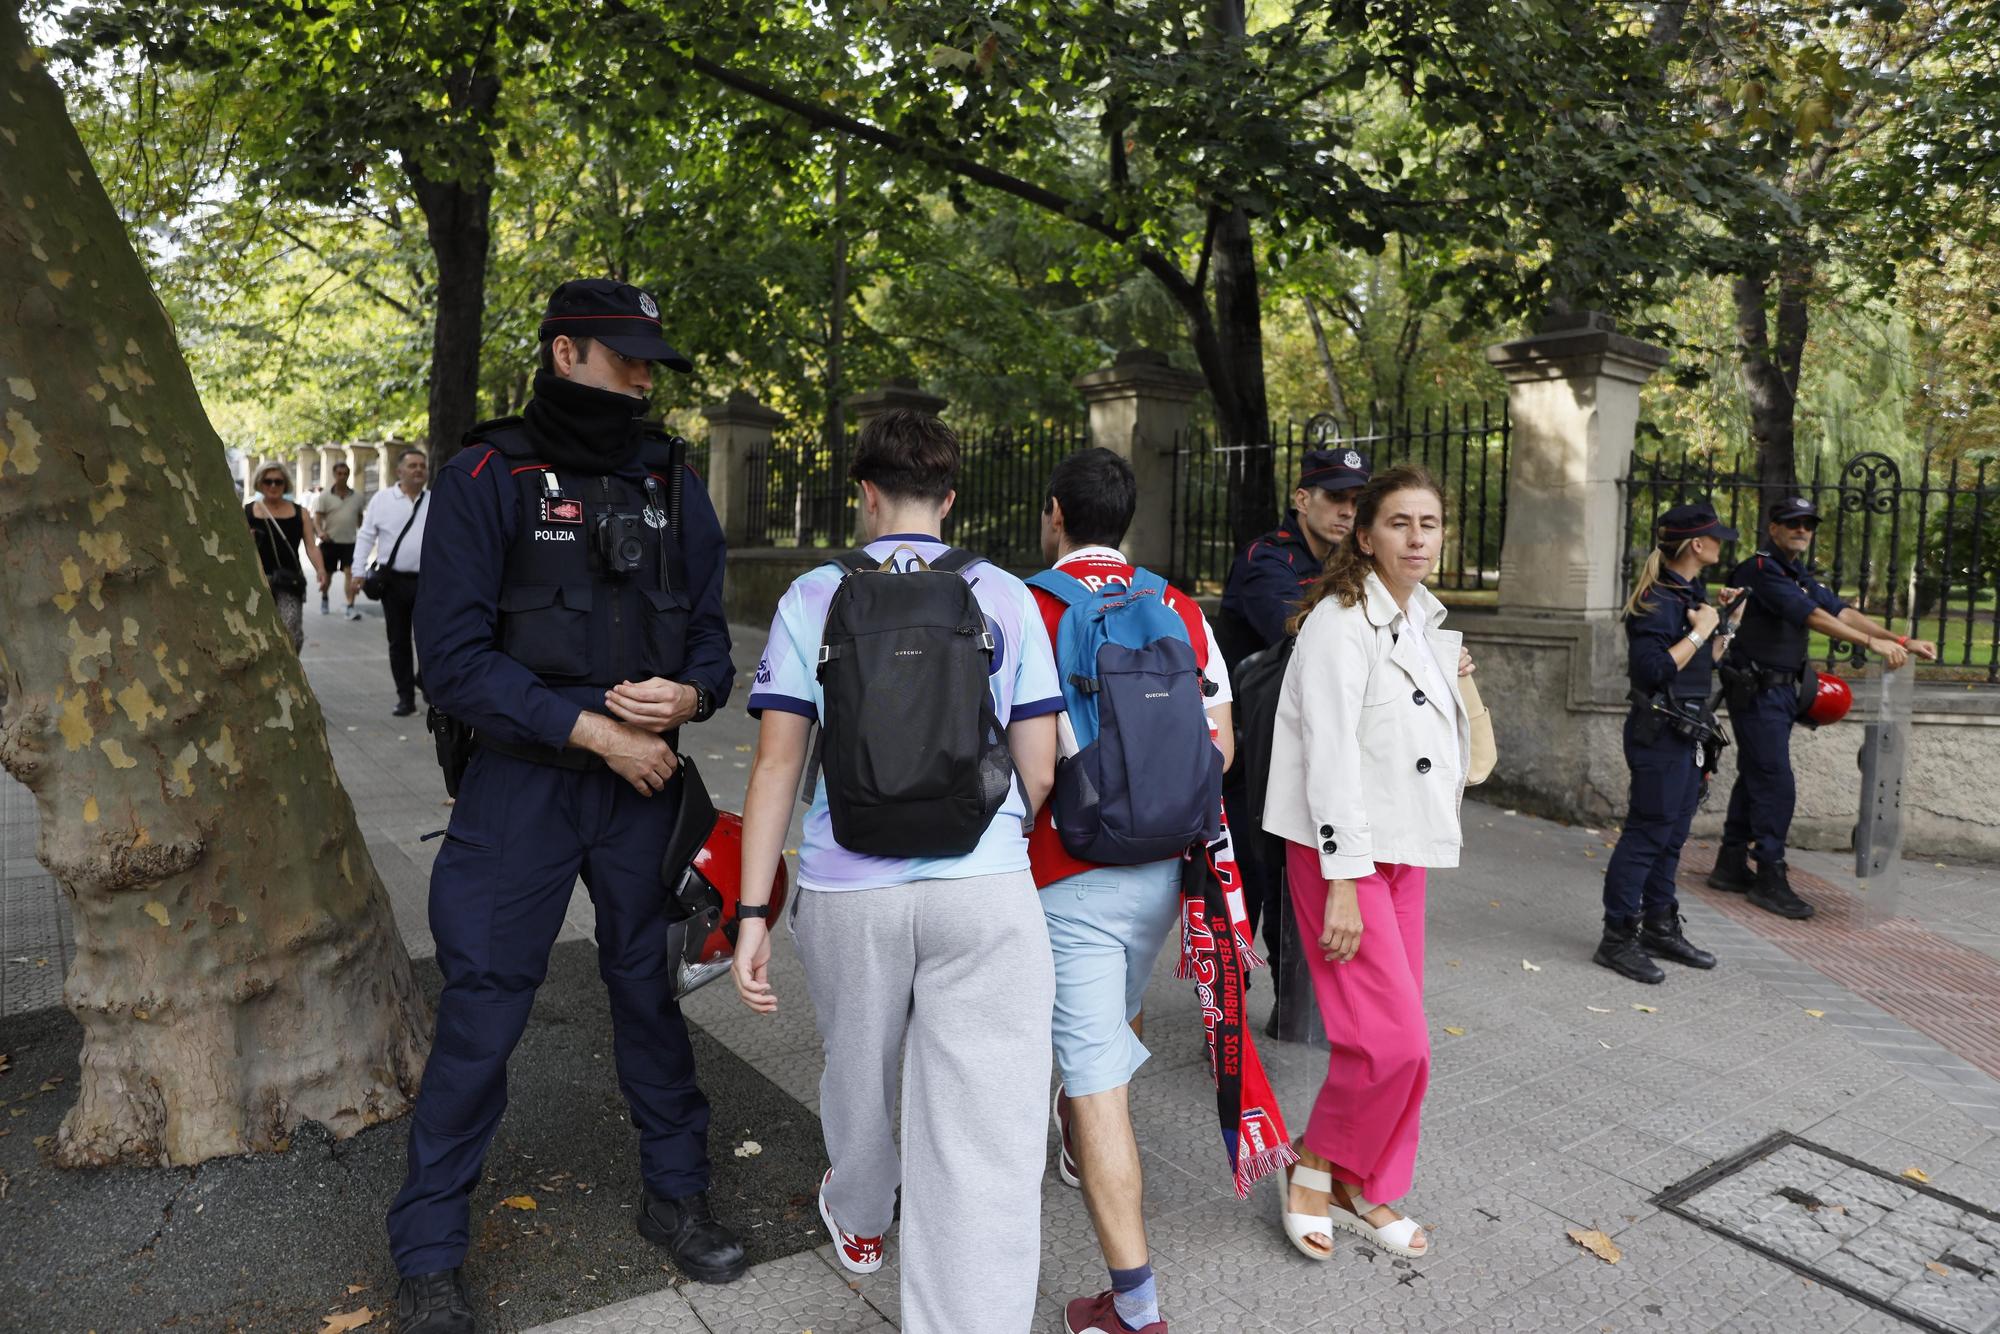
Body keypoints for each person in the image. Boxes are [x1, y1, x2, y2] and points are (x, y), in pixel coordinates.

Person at [387, 278, 741, 1334]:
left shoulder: (672, 476)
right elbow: (452, 661)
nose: (643, 377)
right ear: (564, 352)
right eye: (624, 356)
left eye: (649, 361)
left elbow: (712, 637)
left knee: (650, 994)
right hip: (523, 784)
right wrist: (595, 732)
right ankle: (429, 1253)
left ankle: (676, 1194)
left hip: (646, 790)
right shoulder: (485, 474)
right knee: (483, 1010)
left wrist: (692, 696)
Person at [731, 408, 1063, 1334]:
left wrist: (753, 913)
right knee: (986, 1128)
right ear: (949, 498)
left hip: (850, 887)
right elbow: (1039, 769)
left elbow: (776, 766)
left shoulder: (812, 595)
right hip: (983, 887)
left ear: (866, 494)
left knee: (858, 1073)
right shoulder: (1008, 597)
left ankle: (863, 1216)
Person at [1026, 448, 1232, 1334]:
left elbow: (1026, 765)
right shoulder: (1179, 606)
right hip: (1163, 871)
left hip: (1067, 872)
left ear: (1056, 513)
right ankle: (1078, 1137)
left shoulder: (1029, 605)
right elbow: (1220, 744)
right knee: (1113, 1014)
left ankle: (1135, 1310)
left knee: (1096, 1086)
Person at [1260, 463, 1472, 1262]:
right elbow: (1329, 759)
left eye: (1429, 523)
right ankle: (1314, 1163)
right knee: (1391, 1044)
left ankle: (1364, 1183)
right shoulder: (1338, 622)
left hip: (1402, 848)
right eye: (1399, 523)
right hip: (1339, 854)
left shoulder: (1422, 617)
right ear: (1366, 535)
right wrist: (1344, 879)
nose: (1417, 538)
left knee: (1403, 1042)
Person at [1707, 496, 1937, 918]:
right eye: (1793, 522)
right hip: (1756, 691)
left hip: (1780, 691)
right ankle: (1769, 876)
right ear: (1773, 528)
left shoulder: (1794, 573)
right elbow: (1811, 616)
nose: (1802, 530)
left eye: (1808, 524)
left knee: (1757, 774)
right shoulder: (1760, 570)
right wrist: (1871, 644)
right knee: (1776, 783)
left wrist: (1901, 641)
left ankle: (1730, 864)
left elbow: (1841, 612)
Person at [1213, 449, 1370, 974]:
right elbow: (1299, 637)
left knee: (1294, 885)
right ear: (1303, 499)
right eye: (1336, 497)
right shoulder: (1267, 561)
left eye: (1357, 501)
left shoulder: (1350, 566)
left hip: (1304, 747)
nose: (1347, 511)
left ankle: (1292, 1004)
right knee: (1244, 885)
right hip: (1249, 752)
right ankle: (1227, 1006)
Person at [1594, 502, 1740, 984]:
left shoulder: (1688, 592)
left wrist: (1726, 623)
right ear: (1696, 544)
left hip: (1687, 730)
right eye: (1715, 537)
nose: (1721, 544)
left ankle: (1658, 925)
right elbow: (1654, 669)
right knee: (1646, 836)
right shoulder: (1657, 599)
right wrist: (1700, 632)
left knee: (1672, 836)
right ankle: (1617, 937)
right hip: (1659, 733)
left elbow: (1703, 662)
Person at [354, 447, 431, 716]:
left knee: (430, 639)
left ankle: (426, 681)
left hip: (428, 583)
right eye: (412, 465)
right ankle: (405, 698)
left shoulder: (435, 500)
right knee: (398, 642)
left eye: (422, 465)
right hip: (393, 582)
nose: (418, 469)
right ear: (399, 471)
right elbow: (366, 536)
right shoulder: (382, 500)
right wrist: (358, 571)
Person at [244, 462, 328, 652]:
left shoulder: (300, 512)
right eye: (268, 481)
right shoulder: (248, 511)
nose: (273, 486)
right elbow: (237, 547)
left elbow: (311, 546)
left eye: (278, 481)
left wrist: (321, 570)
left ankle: (289, 667)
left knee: (291, 631)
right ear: (260, 483)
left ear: (285, 484)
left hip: (289, 580)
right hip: (257, 582)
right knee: (259, 632)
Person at [313, 459, 366, 618]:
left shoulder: (358, 497)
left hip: (350, 542)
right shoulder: (324, 496)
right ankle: (324, 597)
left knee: (350, 573)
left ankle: (350, 605)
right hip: (330, 542)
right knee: (327, 575)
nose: (342, 476)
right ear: (334, 475)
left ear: (348, 475)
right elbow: (316, 519)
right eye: (339, 473)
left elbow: (360, 519)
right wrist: (320, 532)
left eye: (345, 474)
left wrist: (362, 533)